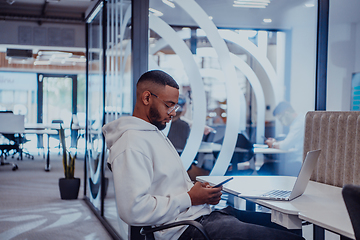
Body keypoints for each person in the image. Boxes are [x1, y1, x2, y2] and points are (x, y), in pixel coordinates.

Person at [102, 70, 304, 240]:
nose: (173, 113)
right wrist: (191, 198)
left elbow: (169, 186)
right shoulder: (131, 144)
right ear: (147, 98)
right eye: (169, 105)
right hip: (185, 229)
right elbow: (133, 210)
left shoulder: (153, 134)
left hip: (201, 216)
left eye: (175, 106)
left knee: (286, 227)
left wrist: (198, 192)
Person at [262, 101, 305, 176]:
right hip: (297, 161)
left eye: (281, 120)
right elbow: (291, 142)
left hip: (297, 163)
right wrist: (276, 142)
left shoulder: (299, 124)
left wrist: (272, 144)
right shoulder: (298, 122)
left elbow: (286, 145)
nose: (282, 123)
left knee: (265, 168)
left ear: (286, 113)